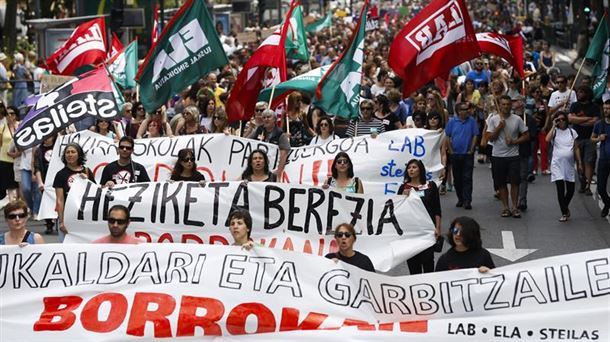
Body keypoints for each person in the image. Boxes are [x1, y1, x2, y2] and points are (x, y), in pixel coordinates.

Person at [486, 95, 529, 218]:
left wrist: (515, 141)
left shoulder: (517, 119)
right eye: (503, 104)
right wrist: (499, 128)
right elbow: (490, 138)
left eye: (508, 104)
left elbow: (526, 135)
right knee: (501, 183)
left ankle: (514, 207)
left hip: (513, 155)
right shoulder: (494, 120)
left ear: (511, 105)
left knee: (515, 182)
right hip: (498, 156)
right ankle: (505, 207)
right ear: (499, 106)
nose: (506, 107)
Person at [398, 159, 441, 274]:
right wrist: (402, 197)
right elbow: (398, 210)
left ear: (420, 170)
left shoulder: (430, 186)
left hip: (427, 231)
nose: (411, 170)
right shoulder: (404, 188)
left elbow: (437, 209)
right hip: (411, 232)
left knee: (428, 262)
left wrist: (438, 227)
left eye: (414, 167)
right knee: (413, 265)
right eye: (409, 168)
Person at [53, 143, 96, 241]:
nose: (70, 154)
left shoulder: (87, 171)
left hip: (85, 216)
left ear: (79, 154)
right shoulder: (60, 175)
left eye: (73, 152)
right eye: (67, 152)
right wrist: (61, 221)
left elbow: (95, 192)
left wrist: (87, 181)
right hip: (68, 216)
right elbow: (59, 200)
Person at [547, 111, 582, 222]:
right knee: (560, 189)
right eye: (558, 120)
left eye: (563, 119)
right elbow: (547, 139)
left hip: (569, 165)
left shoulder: (572, 132)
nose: (561, 121)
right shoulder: (555, 131)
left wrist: (579, 162)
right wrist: (553, 125)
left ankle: (565, 207)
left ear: (567, 120)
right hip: (557, 164)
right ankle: (564, 213)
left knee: (570, 190)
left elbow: (576, 148)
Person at [445, 102, 479, 209]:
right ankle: (460, 198)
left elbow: (475, 135)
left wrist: (472, 149)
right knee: (457, 178)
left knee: (467, 178)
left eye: (467, 109)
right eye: (464, 109)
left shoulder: (472, 121)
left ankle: (467, 200)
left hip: (467, 154)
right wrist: (450, 150)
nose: (467, 111)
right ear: (459, 111)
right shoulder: (452, 121)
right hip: (455, 154)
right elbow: (447, 136)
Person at [569, 85, 599, 196]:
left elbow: (595, 121)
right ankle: (582, 181)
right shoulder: (574, 105)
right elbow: (571, 119)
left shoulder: (594, 106)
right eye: (578, 92)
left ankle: (587, 186)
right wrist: (587, 119)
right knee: (579, 162)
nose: (578, 94)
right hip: (577, 138)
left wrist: (579, 121)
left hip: (590, 138)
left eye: (581, 92)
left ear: (587, 94)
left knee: (589, 162)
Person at [246, 110, 289, 178]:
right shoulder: (259, 129)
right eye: (264, 117)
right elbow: (246, 141)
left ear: (274, 119)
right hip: (258, 170)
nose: (266, 119)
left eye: (268, 117)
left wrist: (279, 171)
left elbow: (284, 154)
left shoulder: (280, 134)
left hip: (272, 170)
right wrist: (250, 128)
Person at [33, 135, 56, 234]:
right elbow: (37, 167)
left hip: (56, 178)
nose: (47, 138)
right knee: (46, 202)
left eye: (50, 136)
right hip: (45, 179)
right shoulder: (39, 150)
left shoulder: (58, 147)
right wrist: (40, 182)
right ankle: (49, 224)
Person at [591, 100, 610, 217]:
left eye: (608, 108)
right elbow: (592, 138)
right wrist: (599, 138)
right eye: (605, 108)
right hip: (604, 159)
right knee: (601, 188)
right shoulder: (599, 124)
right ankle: (607, 203)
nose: (606, 110)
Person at [0, 106, 19, 208]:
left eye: (12, 113)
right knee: (9, 184)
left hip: (19, 158)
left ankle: (20, 203)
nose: (10, 116)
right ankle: (13, 204)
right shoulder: (2, 126)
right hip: (5, 159)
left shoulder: (20, 125)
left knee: (19, 184)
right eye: (8, 114)